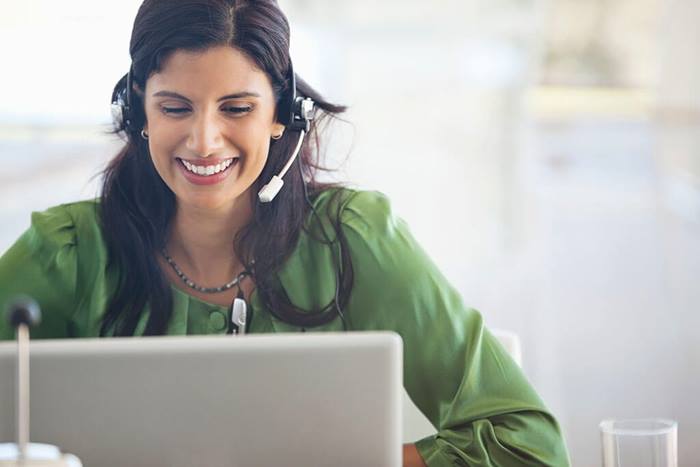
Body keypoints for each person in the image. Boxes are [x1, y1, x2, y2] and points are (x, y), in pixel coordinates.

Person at [0, 0, 570, 465]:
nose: (204, 140)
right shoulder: (66, 252)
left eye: (237, 108)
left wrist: (357, 462)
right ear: (138, 113)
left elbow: (528, 445)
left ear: (281, 115)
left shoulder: (353, 238)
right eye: (175, 108)